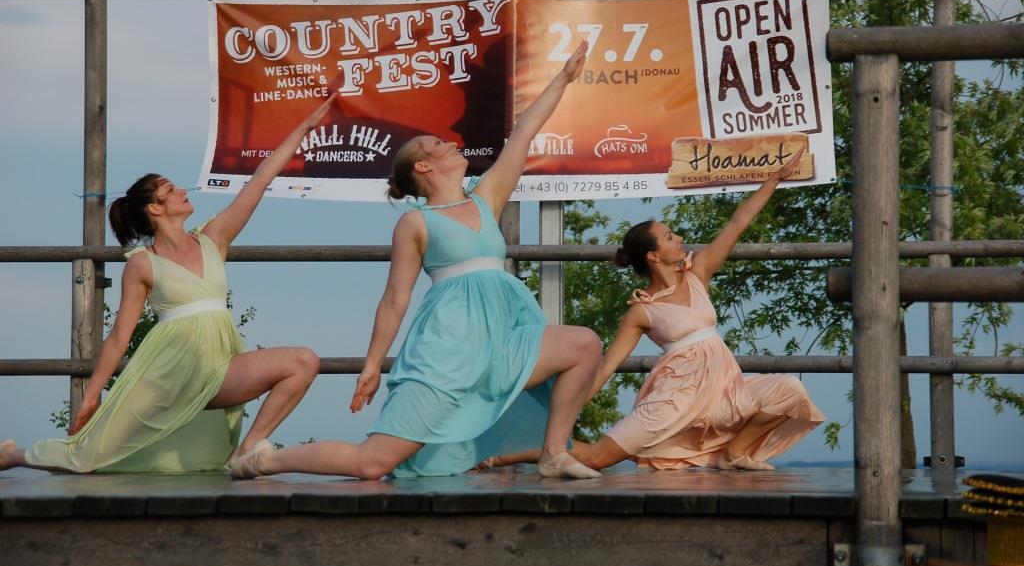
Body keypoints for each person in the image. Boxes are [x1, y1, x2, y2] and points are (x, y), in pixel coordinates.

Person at [231, 42, 603, 480]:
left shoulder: (485, 199)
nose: (451, 143)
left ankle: (553, 453)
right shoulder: (415, 222)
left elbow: (523, 133)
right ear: (424, 167)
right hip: (446, 355)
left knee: (583, 344)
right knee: (373, 463)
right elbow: (395, 299)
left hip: (501, 346)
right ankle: (262, 460)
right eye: (438, 144)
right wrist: (372, 365)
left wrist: (564, 78)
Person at [0, 94, 337, 474]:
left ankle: (245, 454)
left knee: (303, 361)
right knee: (87, 459)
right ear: (155, 208)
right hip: (166, 377)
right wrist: (92, 395)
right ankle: (14, 455)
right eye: (171, 190)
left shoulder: (213, 239)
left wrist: (304, 128)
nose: (182, 192)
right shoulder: (142, 264)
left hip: (217, 369)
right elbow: (119, 337)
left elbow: (259, 182)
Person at [478, 148, 825, 472]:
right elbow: (605, 368)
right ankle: (514, 453)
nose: (679, 239)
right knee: (598, 458)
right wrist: (567, 410)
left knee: (788, 390)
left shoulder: (698, 273)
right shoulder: (642, 311)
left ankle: (734, 453)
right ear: (654, 255)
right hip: (673, 401)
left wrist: (774, 180)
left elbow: (737, 223)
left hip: (723, 395)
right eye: (669, 237)